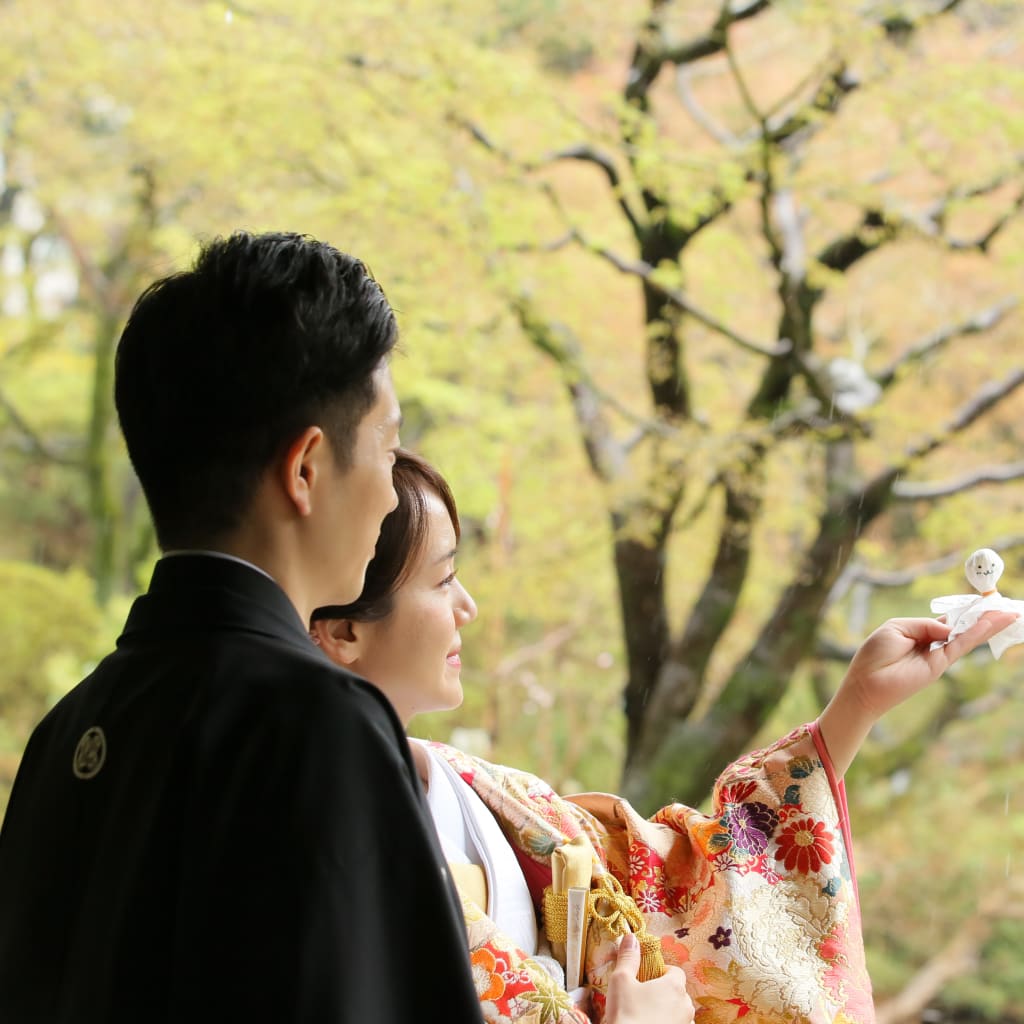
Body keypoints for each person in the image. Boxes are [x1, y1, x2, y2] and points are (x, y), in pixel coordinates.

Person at [310, 449, 1018, 1024]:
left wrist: (856, 706)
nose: (467, 607)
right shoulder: (319, 865)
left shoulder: (488, 798)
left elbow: (688, 890)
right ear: (341, 629)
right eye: (443, 581)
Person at [0, 232, 486, 1023]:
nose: (394, 498)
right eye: (387, 449)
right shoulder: (320, 722)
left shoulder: (68, 731)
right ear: (305, 470)